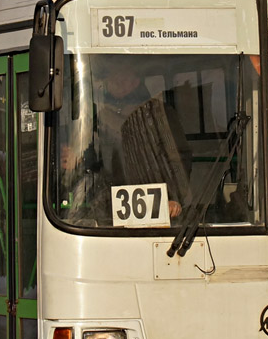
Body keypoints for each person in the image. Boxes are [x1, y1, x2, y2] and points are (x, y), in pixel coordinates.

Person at [66, 56, 191, 222]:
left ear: (137, 80)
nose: (118, 81)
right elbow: (95, 162)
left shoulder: (158, 113)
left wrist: (174, 196)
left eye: (125, 75)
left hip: (160, 204)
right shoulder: (99, 119)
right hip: (111, 206)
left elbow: (178, 157)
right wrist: (77, 160)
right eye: (113, 75)